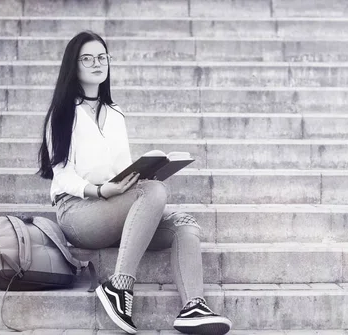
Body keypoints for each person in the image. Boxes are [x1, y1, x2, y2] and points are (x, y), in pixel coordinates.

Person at [37, 31, 232, 335]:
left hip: (114, 210)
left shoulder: (115, 115)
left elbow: (122, 171)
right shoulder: (62, 114)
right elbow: (62, 175)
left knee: (185, 224)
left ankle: (193, 307)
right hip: (78, 213)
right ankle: (119, 286)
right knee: (153, 191)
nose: (97, 64)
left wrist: (143, 174)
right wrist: (100, 191)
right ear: (73, 66)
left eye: (102, 57)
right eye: (87, 59)